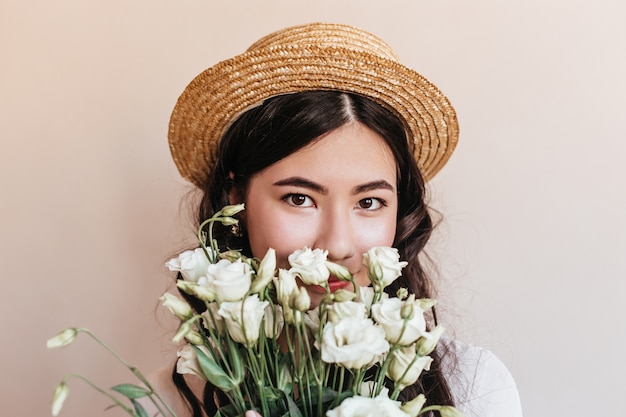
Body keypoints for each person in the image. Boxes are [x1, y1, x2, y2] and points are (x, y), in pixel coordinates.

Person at [148, 23, 523, 417]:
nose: (337, 245)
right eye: (299, 198)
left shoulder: (474, 387)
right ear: (236, 200)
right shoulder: (159, 402)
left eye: (370, 202)